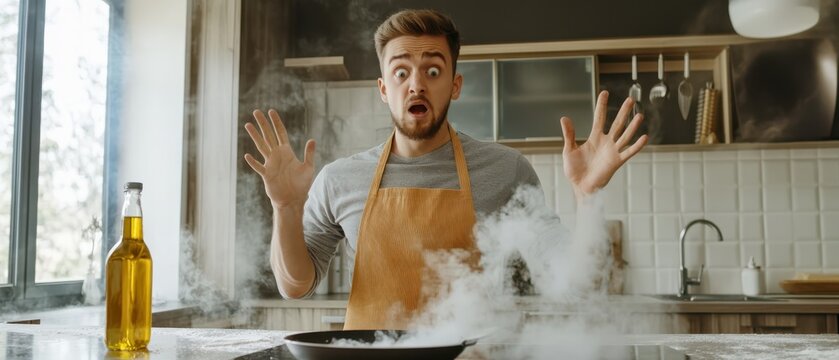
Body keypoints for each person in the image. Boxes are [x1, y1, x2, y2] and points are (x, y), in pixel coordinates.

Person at [243, 9, 647, 330]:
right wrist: (285, 208)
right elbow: (295, 286)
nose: (416, 84)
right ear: (384, 89)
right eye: (401, 72)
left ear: (455, 85)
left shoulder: (507, 170)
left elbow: (578, 286)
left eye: (432, 71)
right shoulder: (338, 179)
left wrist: (587, 197)